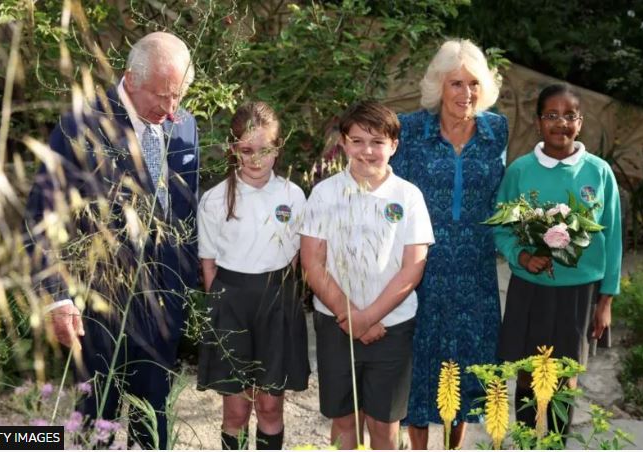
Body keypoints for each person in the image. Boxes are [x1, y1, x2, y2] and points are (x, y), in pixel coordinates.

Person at [24, 32, 200, 449]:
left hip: (165, 302)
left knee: (154, 414)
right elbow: (41, 215)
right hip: (100, 304)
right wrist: (57, 297)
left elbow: (184, 212)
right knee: (97, 414)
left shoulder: (187, 126)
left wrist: (186, 283)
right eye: (162, 96)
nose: (171, 109)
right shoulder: (81, 126)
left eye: (179, 96)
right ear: (131, 79)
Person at [389, 39, 508, 449]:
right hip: (423, 266)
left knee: (467, 363)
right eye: (456, 83)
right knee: (421, 361)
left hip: (476, 268)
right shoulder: (411, 130)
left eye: (474, 83)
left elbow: (502, 197)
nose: (466, 93)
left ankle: (452, 446)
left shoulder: (497, 131)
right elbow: (393, 196)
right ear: (439, 85)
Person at [300, 101, 435, 450]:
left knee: (384, 425)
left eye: (377, 142)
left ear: (394, 146)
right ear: (343, 143)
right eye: (357, 141)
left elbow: (413, 268)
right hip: (335, 324)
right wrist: (350, 316)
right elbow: (313, 263)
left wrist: (368, 318)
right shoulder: (324, 194)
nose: (367, 151)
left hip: (392, 326)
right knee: (344, 420)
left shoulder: (409, 197)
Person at [494, 83, 622, 438]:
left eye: (569, 116)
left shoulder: (598, 173)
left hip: (579, 292)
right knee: (526, 370)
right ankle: (524, 441)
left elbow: (612, 238)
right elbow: (501, 228)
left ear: (580, 123)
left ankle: (555, 444)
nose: (560, 123)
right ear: (538, 122)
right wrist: (522, 256)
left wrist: (606, 299)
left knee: (565, 374)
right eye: (551, 115)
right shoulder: (520, 171)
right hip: (529, 289)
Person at [195, 101, 309, 450]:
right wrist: (225, 310)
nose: (255, 159)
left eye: (265, 150)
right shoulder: (215, 200)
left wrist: (281, 300)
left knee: (271, 406)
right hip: (231, 304)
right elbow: (209, 266)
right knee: (236, 410)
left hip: (277, 302)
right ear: (234, 149)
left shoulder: (293, 195)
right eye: (246, 150)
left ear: (278, 149)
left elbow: (296, 260)